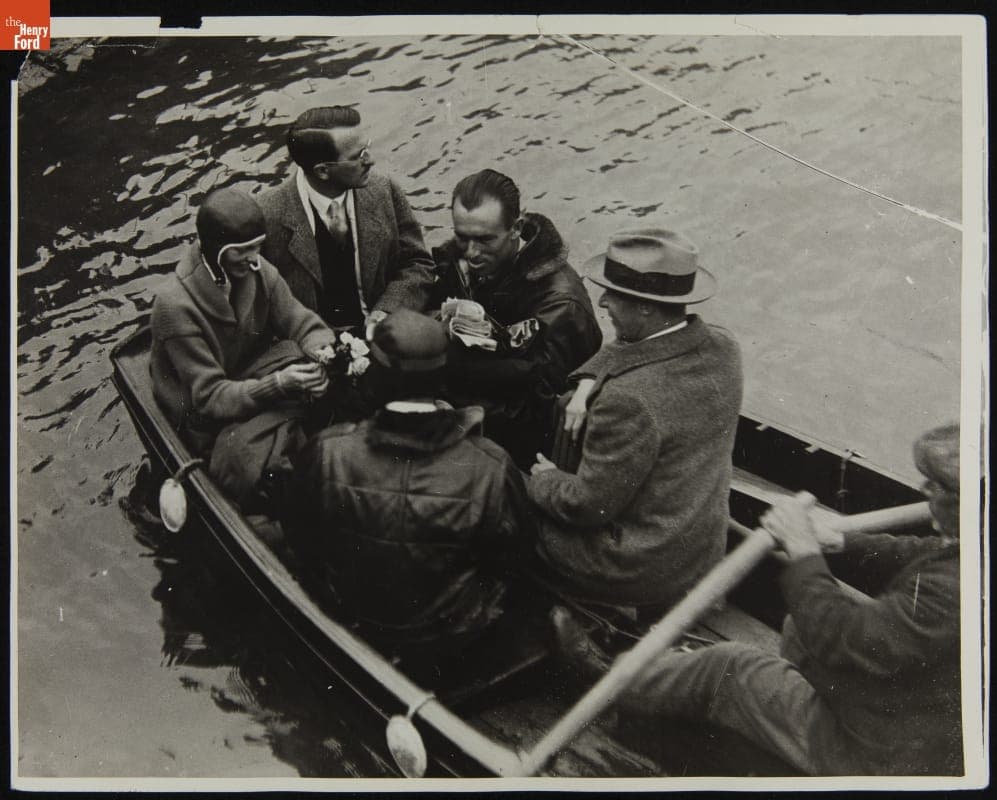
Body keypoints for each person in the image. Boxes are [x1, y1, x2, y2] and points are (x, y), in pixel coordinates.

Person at [554, 424, 964, 776]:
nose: (921, 489)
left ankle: (607, 686)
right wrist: (840, 540)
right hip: (920, 717)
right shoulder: (971, 549)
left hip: (880, 753)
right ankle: (733, 697)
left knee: (730, 667)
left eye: (937, 484)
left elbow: (838, 638)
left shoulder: (949, 590)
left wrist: (803, 551)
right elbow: (921, 554)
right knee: (796, 627)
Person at [290, 309, 536, 649]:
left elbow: (303, 542)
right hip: (451, 640)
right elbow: (513, 561)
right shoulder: (492, 466)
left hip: (350, 624)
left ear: (376, 379)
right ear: (442, 378)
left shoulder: (327, 450)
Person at [528, 227, 743, 608]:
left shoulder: (627, 401)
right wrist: (586, 384)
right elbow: (632, 349)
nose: (602, 301)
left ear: (645, 307)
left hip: (638, 567)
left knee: (509, 509)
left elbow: (586, 505)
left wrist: (543, 481)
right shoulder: (724, 347)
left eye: (613, 294)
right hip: (702, 552)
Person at [431, 169, 602, 467]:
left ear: (516, 227)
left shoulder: (562, 307)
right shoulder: (461, 260)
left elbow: (544, 410)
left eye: (485, 240)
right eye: (462, 237)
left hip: (522, 452)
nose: (471, 253)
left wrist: (447, 389)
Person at [150, 187, 335, 455]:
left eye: (257, 246)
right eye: (242, 250)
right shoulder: (175, 307)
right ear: (215, 249)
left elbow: (301, 322)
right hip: (203, 411)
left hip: (246, 380)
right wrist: (279, 384)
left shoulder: (259, 270)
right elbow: (210, 397)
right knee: (251, 459)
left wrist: (323, 353)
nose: (253, 257)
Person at [258, 105, 435, 331]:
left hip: (383, 333)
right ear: (322, 171)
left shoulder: (385, 190)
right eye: (358, 156)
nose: (370, 161)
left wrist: (386, 312)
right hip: (309, 347)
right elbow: (257, 307)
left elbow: (418, 263)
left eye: (367, 148)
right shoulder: (265, 214)